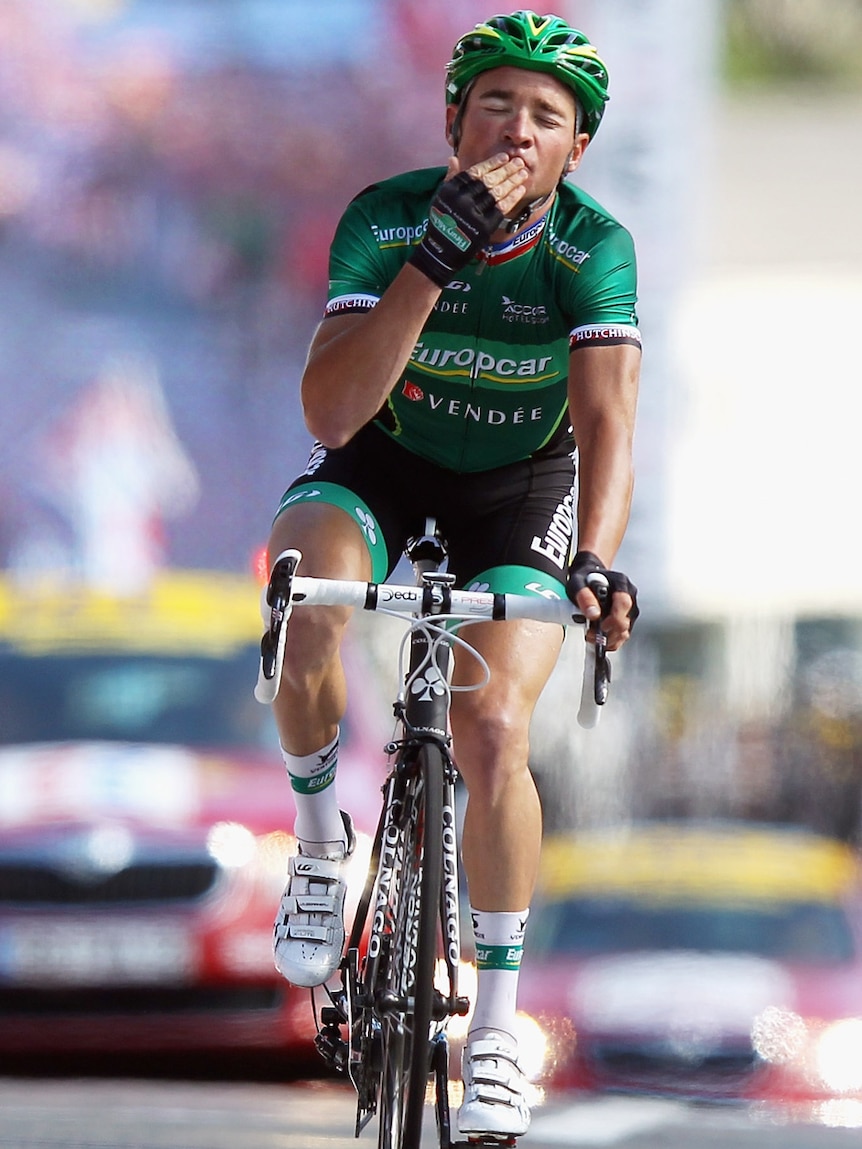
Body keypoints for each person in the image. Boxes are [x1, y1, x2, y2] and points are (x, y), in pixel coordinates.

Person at [262, 10, 640, 1139]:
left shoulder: (592, 246)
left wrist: (597, 560)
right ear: (452, 121)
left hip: (519, 492)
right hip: (384, 457)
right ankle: (324, 840)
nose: (516, 130)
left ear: (577, 149)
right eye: (494, 105)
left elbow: (610, 422)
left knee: (489, 728)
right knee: (302, 597)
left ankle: (492, 1031)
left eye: (546, 118)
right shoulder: (386, 214)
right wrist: (436, 255)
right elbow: (332, 411)